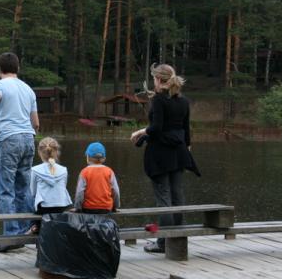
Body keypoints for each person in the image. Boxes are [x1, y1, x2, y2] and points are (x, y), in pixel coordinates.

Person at [130, 63, 200, 254]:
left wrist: (139, 131)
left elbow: (156, 128)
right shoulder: (183, 101)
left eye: (154, 78)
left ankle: (163, 243)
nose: (153, 81)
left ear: (159, 80)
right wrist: (187, 150)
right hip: (179, 153)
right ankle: (177, 238)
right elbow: (186, 131)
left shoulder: (160, 100)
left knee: (164, 198)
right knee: (177, 196)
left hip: (160, 154)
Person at [0, 52, 39, 252]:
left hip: (8, 139)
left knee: (5, 189)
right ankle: (27, 231)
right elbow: (36, 123)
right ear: (18, 68)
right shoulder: (28, 89)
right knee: (24, 188)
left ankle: (10, 237)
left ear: (0, 69)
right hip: (28, 138)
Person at [28, 137, 72, 234]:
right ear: (56, 151)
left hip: (44, 207)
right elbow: (63, 188)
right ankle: (36, 227)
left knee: (31, 201)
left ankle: (34, 227)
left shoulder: (35, 170)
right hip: (61, 206)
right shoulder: (63, 170)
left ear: (40, 152)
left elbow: (32, 192)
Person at [74, 142, 120, 214]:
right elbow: (116, 191)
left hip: (88, 208)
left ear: (88, 157)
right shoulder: (109, 171)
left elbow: (80, 192)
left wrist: (78, 208)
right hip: (106, 208)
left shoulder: (84, 172)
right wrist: (115, 206)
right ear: (104, 158)